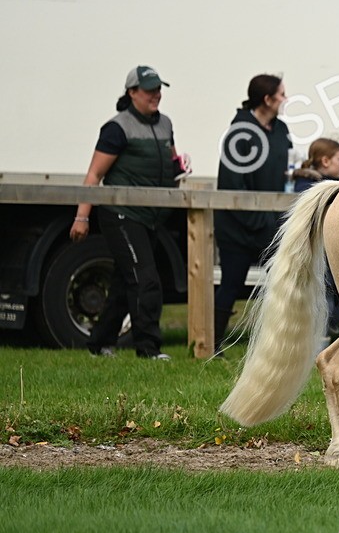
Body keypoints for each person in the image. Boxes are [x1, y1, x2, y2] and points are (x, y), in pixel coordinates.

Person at [71, 66, 187, 360]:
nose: (156, 95)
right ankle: (148, 349)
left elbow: (171, 160)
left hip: (152, 216)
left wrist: (179, 168)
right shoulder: (117, 127)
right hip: (122, 214)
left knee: (127, 281)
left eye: (159, 89)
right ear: (132, 93)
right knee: (145, 279)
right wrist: (82, 217)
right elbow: (94, 174)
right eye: (149, 90)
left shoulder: (165, 123)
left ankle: (99, 343)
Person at [213, 74, 293, 349]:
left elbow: (283, 172)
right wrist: (261, 222)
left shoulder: (281, 130)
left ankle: (274, 343)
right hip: (237, 226)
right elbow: (231, 184)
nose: (285, 99)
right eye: (281, 94)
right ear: (267, 99)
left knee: (280, 283)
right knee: (231, 285)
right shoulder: (239, 133)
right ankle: (210, 344)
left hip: (270, 224)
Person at [292, 138, 339, 338]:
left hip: (335, 251)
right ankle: (320, 339)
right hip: (317, 253)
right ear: (325, 161)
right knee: (325, 295)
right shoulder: (306, 186)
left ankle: (327, 327)